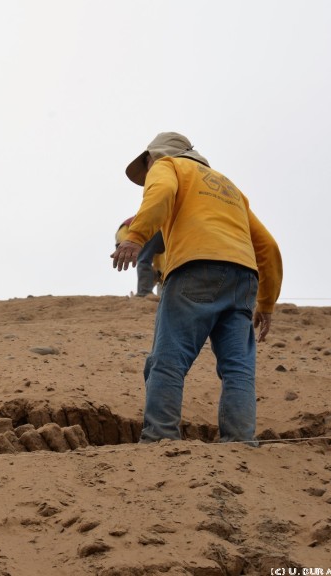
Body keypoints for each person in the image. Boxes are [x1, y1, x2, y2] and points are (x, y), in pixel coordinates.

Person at [111, 132, 282, 444]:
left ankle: (160, 438)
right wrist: (267, 302)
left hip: (195, 268)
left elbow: (160, 193)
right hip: (244, 278)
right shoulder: (229, 186)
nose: (148, 172)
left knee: (168, 361)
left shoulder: (167, 166)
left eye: (147, 166)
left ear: (152, 157)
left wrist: (135, 237)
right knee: (237, 369)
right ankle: (240, 442)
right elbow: (267, 246)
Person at [115, 216, 165, 296]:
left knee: (143, 260)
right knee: (158, 272)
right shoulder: (154, 249)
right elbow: (161, 269)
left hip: (150, 229)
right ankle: (153, 293)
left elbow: (127, 243)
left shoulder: (122, 233)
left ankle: (144, 292)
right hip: (161, 232)